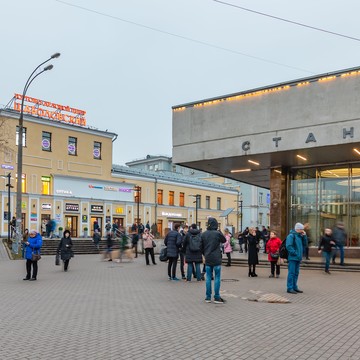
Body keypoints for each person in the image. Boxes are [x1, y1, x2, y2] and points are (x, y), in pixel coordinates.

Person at [200, 217, 226, 304]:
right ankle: (217, 297)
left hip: (208, 258)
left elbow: (201, 247)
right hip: (217, 258)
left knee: (208, 277)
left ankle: (207, 297)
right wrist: (219, 231)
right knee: (217, 277)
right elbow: (224, 240)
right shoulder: (217, 233)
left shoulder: (203, 234)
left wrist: (204, 255)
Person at [286, 223, 308, 294]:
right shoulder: (291, 236)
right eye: (301, 229)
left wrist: (304, 236)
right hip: (293, 258)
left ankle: (294, 287)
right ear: (297, 229)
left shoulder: (300, 236)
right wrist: (295, 253)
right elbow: (289, 246)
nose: (302, 231)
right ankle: (290, 288)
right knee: (291, 273)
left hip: (298, 258)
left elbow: (305, 244)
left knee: (296, 273)